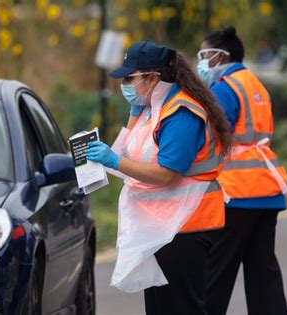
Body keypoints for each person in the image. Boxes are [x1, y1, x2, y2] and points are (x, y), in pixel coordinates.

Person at [86, 40, 232, 314]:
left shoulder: (180, 114)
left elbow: (166, 175)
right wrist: (132, 119)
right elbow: (128, 154)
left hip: (189, 226)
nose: (125, 85)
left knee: (182, 307)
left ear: (153, 78)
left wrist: (113, 159)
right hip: (163, 225)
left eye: (130, 78)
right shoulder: (153, 108)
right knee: (160, 307)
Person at [197, 26, 287, 315]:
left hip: (236, 193)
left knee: (215, 275)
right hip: (267, 189)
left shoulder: (223, 89)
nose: (200, 61)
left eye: (203, 55)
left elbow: (210, 138)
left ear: (219, 56)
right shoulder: (254, 84)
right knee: (264, 275)